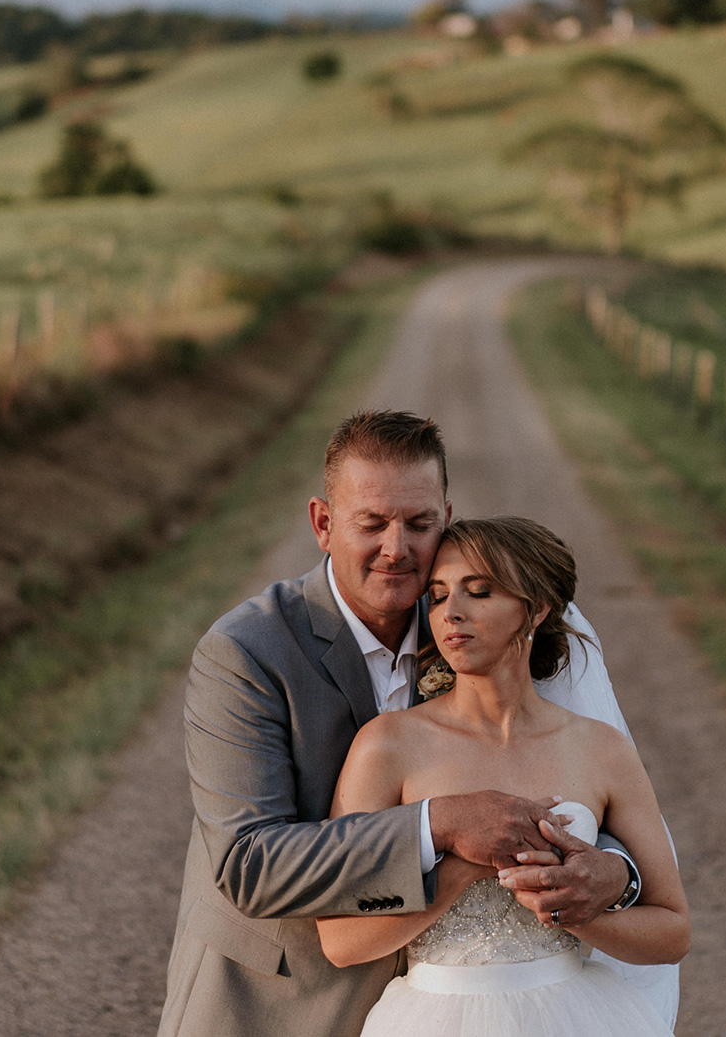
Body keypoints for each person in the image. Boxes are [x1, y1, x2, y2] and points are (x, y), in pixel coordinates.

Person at [158, 411, 653, 1037]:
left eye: (418, 524)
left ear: (444, 519)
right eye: (372, 524)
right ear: (322, 523)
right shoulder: (245, 652)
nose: (397, 549)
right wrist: (441, 822)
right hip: (279, 999)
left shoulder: (477, 621)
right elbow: (249, 862)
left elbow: (552, 767)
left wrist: (619, 871)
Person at [317, 516, 687, 1037]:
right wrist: (465, 867)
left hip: (580, 1016)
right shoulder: (387, 745)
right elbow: (340, 942)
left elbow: (673, 931)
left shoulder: (601, 749)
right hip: (434, 1018)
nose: (452, 614)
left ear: (536, 608)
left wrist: (576, 909)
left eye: (480, 591)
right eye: (439, 596)